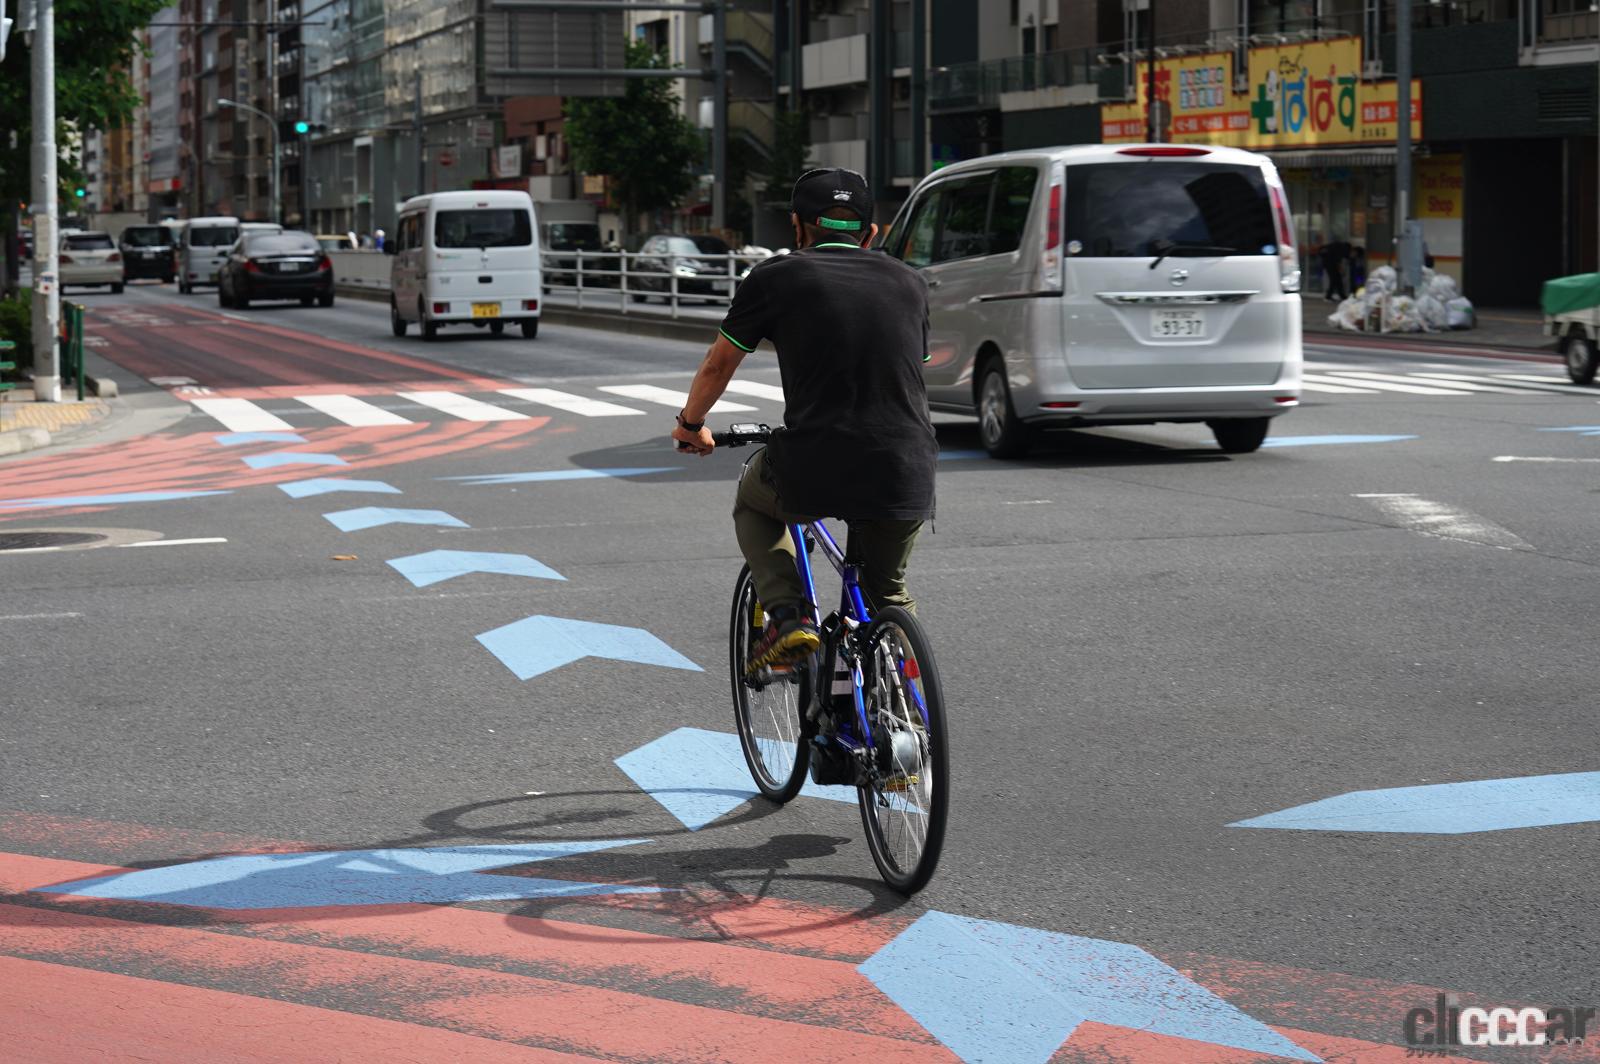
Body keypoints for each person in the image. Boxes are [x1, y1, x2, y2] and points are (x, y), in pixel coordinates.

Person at [671, 167, 938, 673]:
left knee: (754, 502)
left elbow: (719, 363)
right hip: (908, 463)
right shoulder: (910, 282)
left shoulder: (776, 276)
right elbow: (909, 369)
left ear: (797, 226)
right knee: (889, 593)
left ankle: (789, 616)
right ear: (871, 232)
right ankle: (912, 710)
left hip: (817, 459)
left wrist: (690, 425)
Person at [1320, 237, 1351, 302]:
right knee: (1334, 280)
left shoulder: (1335, 247)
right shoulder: (1340, 249)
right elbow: (1337, 260)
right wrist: (1340, 269)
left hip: (1328, 264)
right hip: (1330, 265)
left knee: (1337, 280)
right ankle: (1329, 296)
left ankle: (1341, 295)